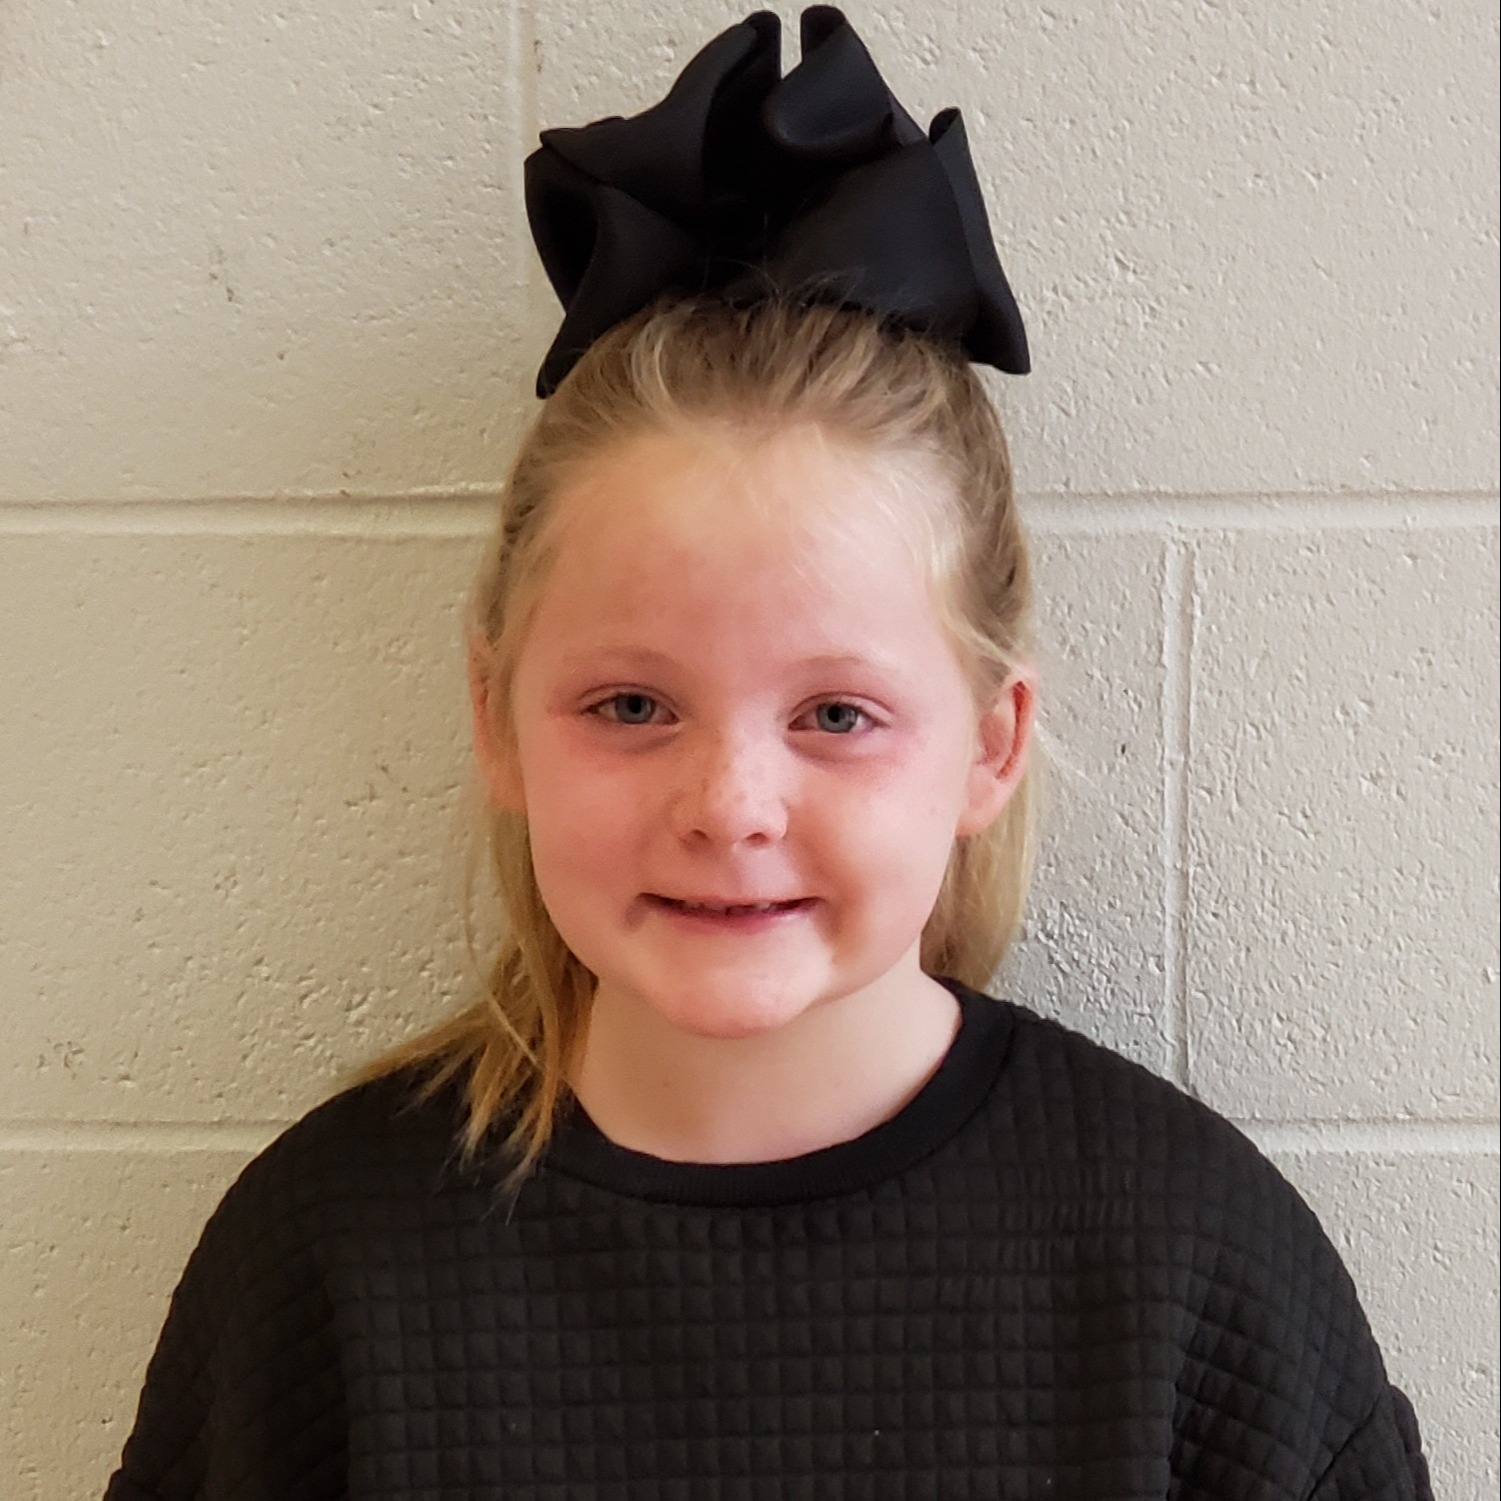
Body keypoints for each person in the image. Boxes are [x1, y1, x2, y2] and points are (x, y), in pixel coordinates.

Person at [105, 8, 1432, 1498]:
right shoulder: (320, 1270)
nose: (730, 807)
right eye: (631, 706)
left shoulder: (1198, 1278)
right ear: (495, 720)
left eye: (836, 716)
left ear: (991, 745)